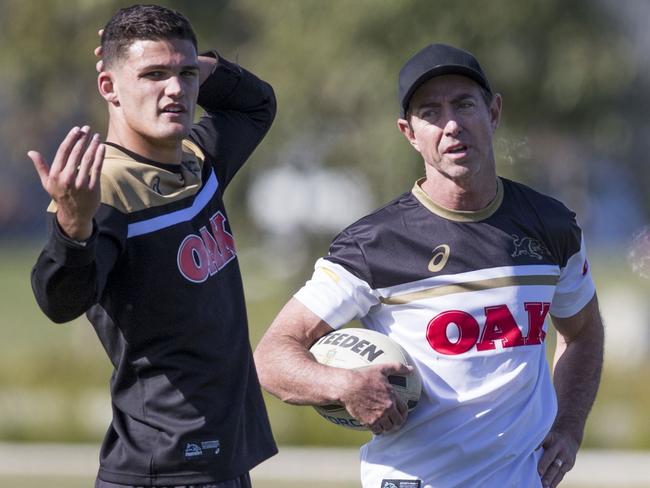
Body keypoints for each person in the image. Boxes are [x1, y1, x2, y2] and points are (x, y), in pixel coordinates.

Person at [254, 43, 604, 488]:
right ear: (409, 132)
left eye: (464, 104)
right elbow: (272, 356)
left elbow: (584, 332)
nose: (452, 125)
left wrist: (570, 427)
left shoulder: (552, 226)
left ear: (493, 113)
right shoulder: (374, 244)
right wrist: (343, 386)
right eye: (431, 113)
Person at [29, 4, 277, 487]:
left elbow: (256, 104)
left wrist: (188, 61)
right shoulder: (105, 190)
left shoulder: (197, 159)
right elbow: (58, 301)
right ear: (109, 87)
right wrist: (72, 227)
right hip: (163, 469)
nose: (176, 90)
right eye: (153, 75)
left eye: (186, 75)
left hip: (221, 463)